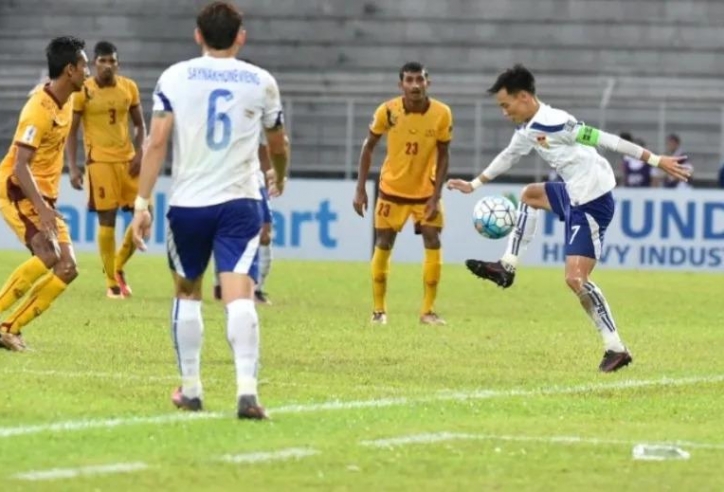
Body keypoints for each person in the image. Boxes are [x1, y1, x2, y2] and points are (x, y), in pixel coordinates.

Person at [447, 65, 690, 372]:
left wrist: (658, 160)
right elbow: (508, 156)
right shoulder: (526, 129)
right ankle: (506, 266)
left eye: (505, 105)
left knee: (575, 279)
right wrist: (474, 184)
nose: (504, 112)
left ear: (523, 97)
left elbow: (609, 140)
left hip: (592, 201)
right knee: (529, 195)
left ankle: (615, 347)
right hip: (572, 192)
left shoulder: (558, 123)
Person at [130, 1, 289, 419]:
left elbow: (157, 142)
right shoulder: (261, 81)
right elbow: (277, 145)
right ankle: (247, 392)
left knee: (187, 292)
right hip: (240, 201)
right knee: (240, 294)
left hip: (189, 205)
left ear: (197, 35)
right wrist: (281, 176)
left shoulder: (175, 77)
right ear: (241, 36)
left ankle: (193, 389)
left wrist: (141, 203)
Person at [0, 36, 89, 351]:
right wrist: (43, 207)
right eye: (84, 66)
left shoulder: (69, 97)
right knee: (48, 255)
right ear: (70, 70)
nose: (87, 72)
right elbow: (21, 166)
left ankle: (9, 327)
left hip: (44, 197)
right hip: (17, 189)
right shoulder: (38, 110)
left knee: (68, 268)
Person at [353, 62, 453, 326]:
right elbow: (368, 147)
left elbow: (444, 155)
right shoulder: (388, 111)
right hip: (391, 191)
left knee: (433, 240)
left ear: (427, 83)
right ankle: (378, 311)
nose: (415, 85)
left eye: (419, 79)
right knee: (383, 244)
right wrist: (360, 188)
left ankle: (428, 311)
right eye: (409, 80)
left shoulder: (442, 114)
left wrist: (435, 195)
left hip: (425, 194)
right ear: (401, 85)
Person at [67, 41, 146, 299]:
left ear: (117, 64)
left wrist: (140, 153)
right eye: (102, 61)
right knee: (107, 220)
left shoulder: (129, 88)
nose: (107, 65)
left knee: (145, 216)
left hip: (128, 160)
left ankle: (119, 264)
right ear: (94, 63)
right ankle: (111, 282)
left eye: (112, 61)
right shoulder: (83, 91)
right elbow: (71, 131)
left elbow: (140, 126)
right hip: (99, 161)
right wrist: (73, 166)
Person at [213, 128, 280, 304]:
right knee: (228, 232)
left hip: (253, 181)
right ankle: (227, 285)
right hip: (229, 181)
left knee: (264, 234)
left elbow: (263, 151)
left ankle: (251, 288)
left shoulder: (254, 113)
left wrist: (270, 177)